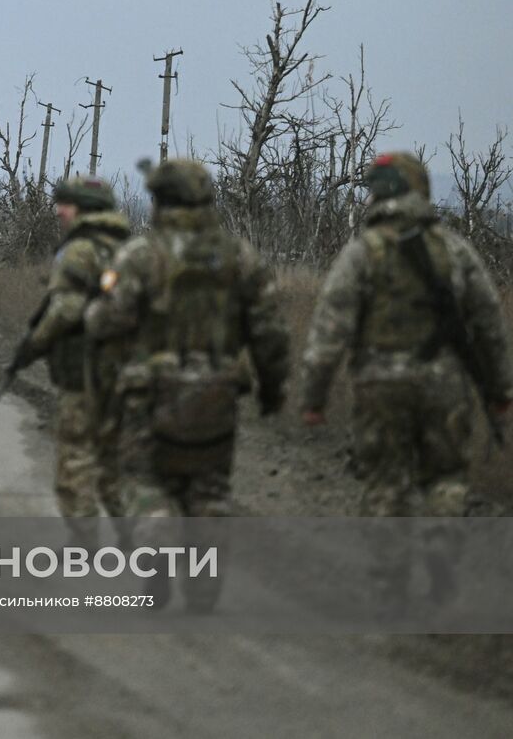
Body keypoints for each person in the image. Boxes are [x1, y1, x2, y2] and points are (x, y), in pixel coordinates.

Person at [296, 152, 513, 607]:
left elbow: (330, 329)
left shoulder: (362, 252)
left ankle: (390, 585)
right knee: (446, 477)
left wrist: (313, 396)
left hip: (380, 385)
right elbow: (490, 326)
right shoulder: (454, 250)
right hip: (445, 383)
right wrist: (500, 392)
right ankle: (440, 570)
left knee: (386, 481)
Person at [85, 158, 289, 608]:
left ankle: (154, 553)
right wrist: (274, 388)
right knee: (209, 488)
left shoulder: (140, 256)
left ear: (159, 202)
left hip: (150, 394)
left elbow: (105, 321)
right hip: (216, 394)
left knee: (143, 479)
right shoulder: (239, 257)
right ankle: (202, 589)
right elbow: (270, 331)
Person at [13, 176, 131, 541]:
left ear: (83, 208)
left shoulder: (79, 250)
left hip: (86, 370)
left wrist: (33, 345)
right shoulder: (131, 248)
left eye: (65, 204)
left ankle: (83, 541)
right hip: (129, 370)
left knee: (76, 458)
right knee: (115, 461)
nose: (59, 211)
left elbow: (66, 309)